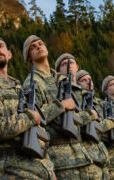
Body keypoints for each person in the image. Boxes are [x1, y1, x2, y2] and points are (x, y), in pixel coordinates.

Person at [0, 34, 55, 179]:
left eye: (0, 46)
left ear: (9, 54)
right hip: (12, 170)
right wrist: (29, 117)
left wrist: (49, 167)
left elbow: (36, 129)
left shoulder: (17, 86)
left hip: (39, 166)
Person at [21, 36, 97, 179]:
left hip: (80, 155)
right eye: (33, 47)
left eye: (40, 43)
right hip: (59, 159)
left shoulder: (60, 79)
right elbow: (33, 117)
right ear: (29, 57)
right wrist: (60, 106)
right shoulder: (32, 83)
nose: (38, 47)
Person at [77, 69, 114, 180]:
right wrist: (111, 123)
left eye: (89, 79)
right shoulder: (78, 101)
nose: (88, 82)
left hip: (103, 158)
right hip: (89, 158)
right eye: (83, 80)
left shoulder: (101, 104)